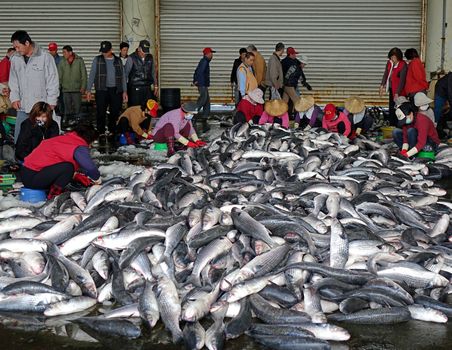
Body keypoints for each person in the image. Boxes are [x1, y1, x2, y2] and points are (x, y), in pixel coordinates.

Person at [21, 124, 100, 199]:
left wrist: (75, 175)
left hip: (27, 174)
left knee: (68, 168)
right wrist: (97, 178)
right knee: (68, 167)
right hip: (32, 178)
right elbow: (90, 167)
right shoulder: (78, 145)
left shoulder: (66, 139)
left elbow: (54, 162)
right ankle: (53, 196)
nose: (91, 146)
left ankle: (52, 189)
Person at [9, 30, 59, 143]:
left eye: (18, 47)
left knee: (41, 138)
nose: (16, 50)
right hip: (23, 106)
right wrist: (14, 98)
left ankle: (41, 160)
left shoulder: (45, 57)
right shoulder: (15, 59)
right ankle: (21, 160)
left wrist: (51, 102)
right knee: (20, 139)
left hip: (40, 109)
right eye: (14, 47)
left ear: (27, 43)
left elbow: (52, 81)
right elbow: (13, 81)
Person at [86, 41, 128, 136]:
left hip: (116, 90)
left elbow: (123, 77)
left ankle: (112, 130)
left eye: (106, 51)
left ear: (111, 50)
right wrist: (88, 90)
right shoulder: (97, 60)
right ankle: (100, 131)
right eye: (102, 51)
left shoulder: (118, 60)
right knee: (101, 111)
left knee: (115, 111)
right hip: (101, 90)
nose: (104, 53)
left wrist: (125, 91)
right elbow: (92, 75)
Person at [58, 45, 87, 127]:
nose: (63, 54)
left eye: (65, 52)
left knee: (77, 108)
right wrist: (58, 88)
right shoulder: (62, 62)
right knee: (67, 108)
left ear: (70, 52)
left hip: (77, 90)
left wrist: (83, 87)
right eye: (63, 52)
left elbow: (84, 75)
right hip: (66, 89)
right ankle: (68, 124)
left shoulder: (79, 60)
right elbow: (59, 76)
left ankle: (77, 124)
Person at [124, 40, 158, 107]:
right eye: (143, 52)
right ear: (139, 49)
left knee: (148, 109)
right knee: (135, 110)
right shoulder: (131, 58)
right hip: (135, 88)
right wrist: (124, 91)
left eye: (146, 52)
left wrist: (156, 85)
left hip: (147, 88)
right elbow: (125, 75)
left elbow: (153, 72)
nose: (144, 54)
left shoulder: (150, 57)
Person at [379, 47, 407, 126]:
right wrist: (382, 85)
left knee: (399, 108)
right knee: (392, 107)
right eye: (391, 57)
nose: (393, 59)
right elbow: (386, 74)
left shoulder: (403, 65)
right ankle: (392, 125)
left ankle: (399, 125)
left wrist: (397, 93)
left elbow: (402, 81)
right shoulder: (389, 63)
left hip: (400, 91)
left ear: (399, 57)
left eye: (394, 57)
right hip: (392, 89)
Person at [193, 47, 215, 133]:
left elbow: (196, 71)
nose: (212, 55)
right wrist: (197, 81)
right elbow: (199, 72)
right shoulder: (204, 61)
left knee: (207, 101)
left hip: (203, 84)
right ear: (207, 54)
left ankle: (204, 118)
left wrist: (195, 80)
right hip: (202, 84)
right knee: (202, 100)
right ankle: (192, 115)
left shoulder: (205, 61)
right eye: (211, 53)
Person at [282, 47, 303, 117]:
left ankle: (280, 116)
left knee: (284, 102)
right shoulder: (291, 62)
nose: (295, 55)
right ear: (290, 54)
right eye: (294, 54)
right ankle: (298, 118)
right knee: (297, 101)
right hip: (289, 85)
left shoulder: (283, 62)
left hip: (285, 85)